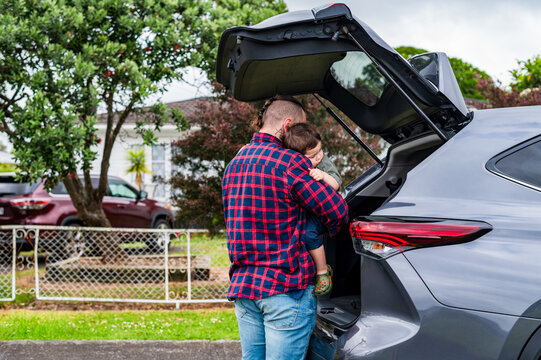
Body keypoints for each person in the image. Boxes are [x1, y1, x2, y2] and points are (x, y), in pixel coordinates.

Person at [222, 95, 348, 360]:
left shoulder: (234, 164)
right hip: (285, 288)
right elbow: (337, 210)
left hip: (244, 288)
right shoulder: (289, 163)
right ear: (288, 125)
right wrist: (321, 232)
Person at [282, 122, 342, 296]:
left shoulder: (323, 162)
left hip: (326, 211)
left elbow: (337, 184)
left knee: (308, 233)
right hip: (308, 211)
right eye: (312, 156)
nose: (318, 157)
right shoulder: (294, 166)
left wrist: (323, 175)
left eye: (320, 151)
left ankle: (323, 272)